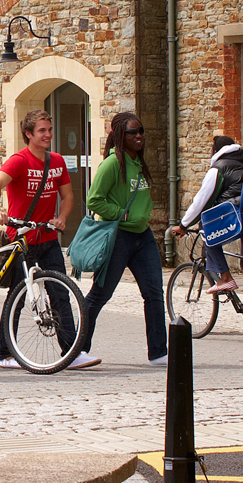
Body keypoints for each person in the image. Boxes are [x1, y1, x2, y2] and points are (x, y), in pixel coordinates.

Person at [0, 109, 100, 370]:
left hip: (47, 236)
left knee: (60, 292)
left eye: (49, 129)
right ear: (28, 134)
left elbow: (69, 196)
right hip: (21, 238)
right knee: (16, 295)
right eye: (42, 130)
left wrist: (62, 217)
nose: (48, 134)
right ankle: (4, 354)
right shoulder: (19, 161)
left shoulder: (57, 161)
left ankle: (71, 351)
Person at [80, 113, 168, 365]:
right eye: (132, 132)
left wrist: (144, 214)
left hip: (143, 237)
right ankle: (77, 348)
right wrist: (121, 213)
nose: (139, 136)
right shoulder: (111, 165)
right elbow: (93, 200)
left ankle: (159, 353)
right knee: (100, 295)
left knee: (153, 293)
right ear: (120, 135)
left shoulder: (138, 162)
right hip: (118, 237)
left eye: (141, 131)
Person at [170, 135, 243, 306]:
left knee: (207, 232)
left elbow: (201, 200)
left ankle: (225, 277)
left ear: (214, 151)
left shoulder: (219, 168)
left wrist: (184, 225)